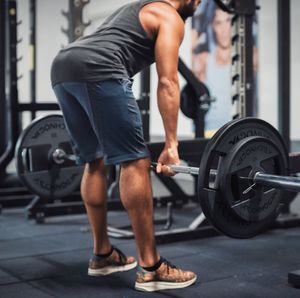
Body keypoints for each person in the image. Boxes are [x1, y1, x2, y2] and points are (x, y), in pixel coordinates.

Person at [50, 0, 200, 293]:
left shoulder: (138, 8)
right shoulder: (170, 16)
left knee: (94, 160)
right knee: (135, 161)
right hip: (99, 67)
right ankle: (152, 267)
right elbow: (168, 82)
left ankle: (103, 254)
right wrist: (171, 144)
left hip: (63, 66)